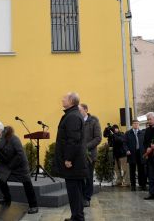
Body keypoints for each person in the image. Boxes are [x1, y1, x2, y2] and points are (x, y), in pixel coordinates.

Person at [54, 92, 87, 221]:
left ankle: (77, 217)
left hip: (73, 162)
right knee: (76, 191)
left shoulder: (72, 116)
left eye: (65, 98)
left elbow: (73, 140)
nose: (62, 99)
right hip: (75, 161)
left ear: (71, 101)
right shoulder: (71, 115)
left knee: (74, 191)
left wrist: (68, 158)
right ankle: (77, 216)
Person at [79, 103, 102, 207]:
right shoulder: (76, 121)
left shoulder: (94, 121)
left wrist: (86, 147)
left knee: (88, 177)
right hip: (78, 155)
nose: (78, 112)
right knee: (79, 177)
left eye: (80, 110)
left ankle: (87, 198)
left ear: (86, 110)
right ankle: (81, 196)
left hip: (89, 155)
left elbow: (98, 138)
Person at [125, 120, 146, 191]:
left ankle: (142, 185)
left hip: (140, 153)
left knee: (141, 170)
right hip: (132, 153)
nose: (136, 125)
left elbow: (145, 143)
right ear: (132, 125)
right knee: (132, 170)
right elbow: (124, 143)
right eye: (134, 123)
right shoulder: (128, 133)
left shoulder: (142, 133)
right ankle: (133, 185)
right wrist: (127, 150)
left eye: (137, 123)